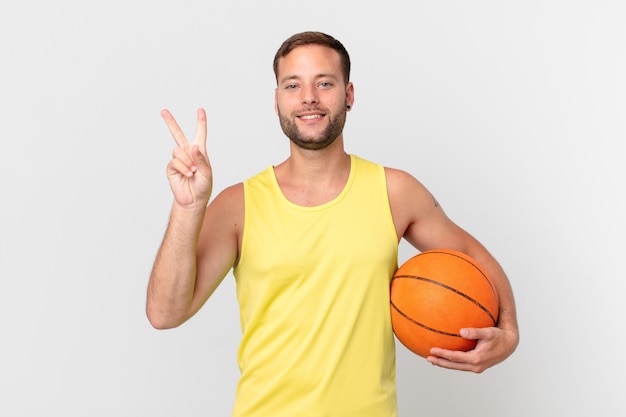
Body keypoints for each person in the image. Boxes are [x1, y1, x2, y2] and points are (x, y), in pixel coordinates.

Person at [146, 31, 519, 417]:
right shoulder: (238, 205)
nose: (309, 96)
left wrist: (508, 329)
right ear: (277, 101)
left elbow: (470, 254)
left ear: (349, 94)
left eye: (324, 83)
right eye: (293, 85)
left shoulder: (394, 191)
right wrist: (188, 209)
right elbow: (165, 314)